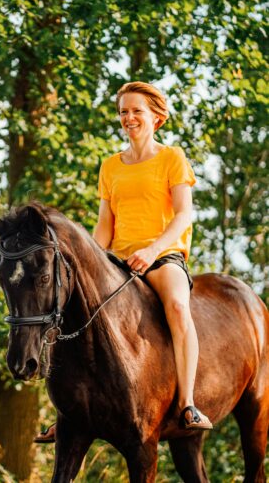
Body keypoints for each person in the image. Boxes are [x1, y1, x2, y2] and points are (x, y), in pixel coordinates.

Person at [35, 81, 212, 444]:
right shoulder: (110, 166)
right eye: (123, 112)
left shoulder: (172, 158)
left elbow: (183, 216)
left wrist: (152, 251)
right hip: (116, 260)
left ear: (156, 118)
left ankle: (189, 404)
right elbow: (104, 227)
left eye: (136, 111)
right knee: (69, 313)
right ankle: (66, 413)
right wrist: (87, 263)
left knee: (178, 307)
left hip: (162, 256)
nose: (128, 118)